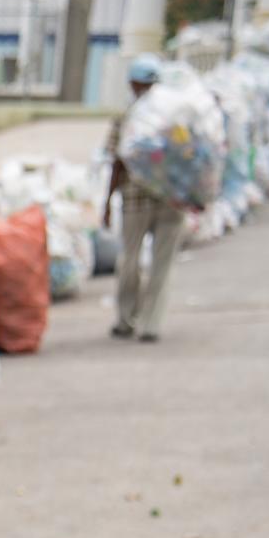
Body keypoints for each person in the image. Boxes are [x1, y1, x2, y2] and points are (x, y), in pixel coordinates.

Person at [104, 54, 184, 344]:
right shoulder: (177, 117)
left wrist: (107, 202)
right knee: (163, 263)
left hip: (135, 199)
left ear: (133, 84)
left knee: (130, 259)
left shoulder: (127, 117)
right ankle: (151, 325)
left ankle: (126, 320)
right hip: (172, 200)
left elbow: (117, 162)